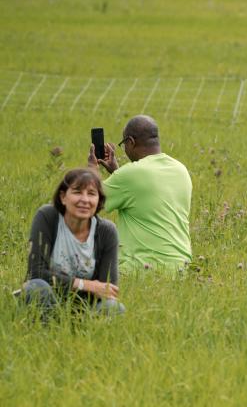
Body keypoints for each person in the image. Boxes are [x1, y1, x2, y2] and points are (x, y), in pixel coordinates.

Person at [88, 114, 192, 270]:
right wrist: (117, 172)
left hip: (141, 268)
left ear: (131, 142)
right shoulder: (180, 170)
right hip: (181, 267)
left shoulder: (130, 175)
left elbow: (88, 202)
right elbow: (145, 191)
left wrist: (92, 171)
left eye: (124, 144)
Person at [22, 169, 124, 317]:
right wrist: (85, 284)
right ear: (63, 197)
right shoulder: (48, 217)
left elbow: (107, 288)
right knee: (36, 287)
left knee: (114, 307)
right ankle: (48, 332)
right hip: (47, 300)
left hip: (85, 308)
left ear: (99, 200)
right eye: (77, 192)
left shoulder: (106, 231)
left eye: (91, 193)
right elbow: (36, 272)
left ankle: (88, 335)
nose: (85, 199)